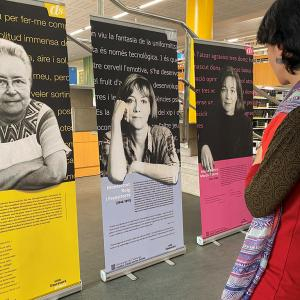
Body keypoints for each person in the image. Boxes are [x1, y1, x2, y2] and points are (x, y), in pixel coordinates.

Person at [222, 0, 300, 299]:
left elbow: (258, 198)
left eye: (267, 47)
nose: (267, 56)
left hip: (286, 267)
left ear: (282, 47)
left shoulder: (294, 117)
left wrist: (258, 158)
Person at [0, 38, 70, 191]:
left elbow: (55, 173)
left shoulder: (41, 113)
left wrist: (5, 177)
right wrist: (34, 163)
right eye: (1, 81)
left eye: (18, 81)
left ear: (29, 83)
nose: (11, 90)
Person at [101, 73, 179, 184]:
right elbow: (117, 177)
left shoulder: (162, 134)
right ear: (122, 106)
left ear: (150, 107)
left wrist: (137, 166)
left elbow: (173, 174)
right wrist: (115, 120)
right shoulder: (109, 138)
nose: (137, 108)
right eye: (130, 100)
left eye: (143, 101)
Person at [199, 66, 252, 173]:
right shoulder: (210, 119)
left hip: (235, 177)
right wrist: (203, 147)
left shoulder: (246, 123)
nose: (228, 96)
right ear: (219, 93)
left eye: (232, 91)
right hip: (214, 177)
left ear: (238, 95)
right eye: (224, 90)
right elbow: (202, 138)